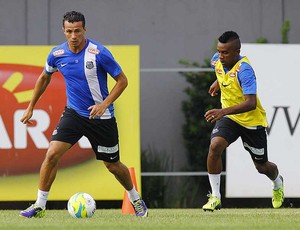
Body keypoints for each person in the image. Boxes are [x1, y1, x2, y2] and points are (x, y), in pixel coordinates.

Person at [19, 11, 148, 218]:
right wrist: (30, 106)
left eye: (77, 31)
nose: (73, 36)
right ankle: (39, 205)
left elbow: (122, 81)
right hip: (74, 114)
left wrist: (104, 104)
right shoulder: (57, 54)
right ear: (64, 31)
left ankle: (136, 199)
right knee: (52, 154)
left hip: (101, 117)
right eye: (69, 31)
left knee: (113, 165)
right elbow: (44, 77)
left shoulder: (99, 53)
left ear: (84, 30)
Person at [202, 31, 284, 211]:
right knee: (215, 146)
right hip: (230, 119)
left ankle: (277, 182)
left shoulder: (245, 70)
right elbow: (222, 71)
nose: (221, 56)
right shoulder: (217, 60)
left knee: (262, 167)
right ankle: (215, 197)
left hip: (251, 122)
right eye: (219, 51)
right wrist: (218, 81)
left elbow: (251, 103)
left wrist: (222, 111)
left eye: (226, 53)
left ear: (237, 51)